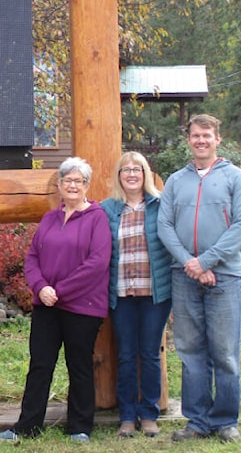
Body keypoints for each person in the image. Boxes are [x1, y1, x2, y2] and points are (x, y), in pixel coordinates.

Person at [0, 157, 111, 444]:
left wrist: (60, 290)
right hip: (46, 305)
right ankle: (27, 426)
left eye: (78, 180)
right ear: (58, 185)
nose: (72, 185)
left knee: (79, 365)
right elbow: (32, 257)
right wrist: (41, 287)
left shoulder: (97, 218)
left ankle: (80, 427)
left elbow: (97, 262)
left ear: (86, 185)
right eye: (67, 180)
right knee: (40, 365)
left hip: (83, 306)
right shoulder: (49, 218)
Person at [157, 114, 241, 443]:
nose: (201, 140)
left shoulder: (236, 178)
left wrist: (207, 261)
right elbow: (164, 227)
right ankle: (197, 421)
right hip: (184, 276)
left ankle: (226, 420)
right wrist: (190, 263)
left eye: (207, 135)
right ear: (189, 140)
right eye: (196, 135)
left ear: (218, 139)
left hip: (225, 277)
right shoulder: (175, 181)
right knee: (189, 350)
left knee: (225, 353)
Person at [102, 152, 171, 438]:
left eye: (137, 169)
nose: (131, 174)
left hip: (154, 293)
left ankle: (149, 413)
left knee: (150, 354)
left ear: (145, 174)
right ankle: (127, 415)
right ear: (119, 176)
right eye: (126, 170)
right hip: (121, 293)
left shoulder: (160, 206)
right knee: (127, 355)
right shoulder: (107, 209)